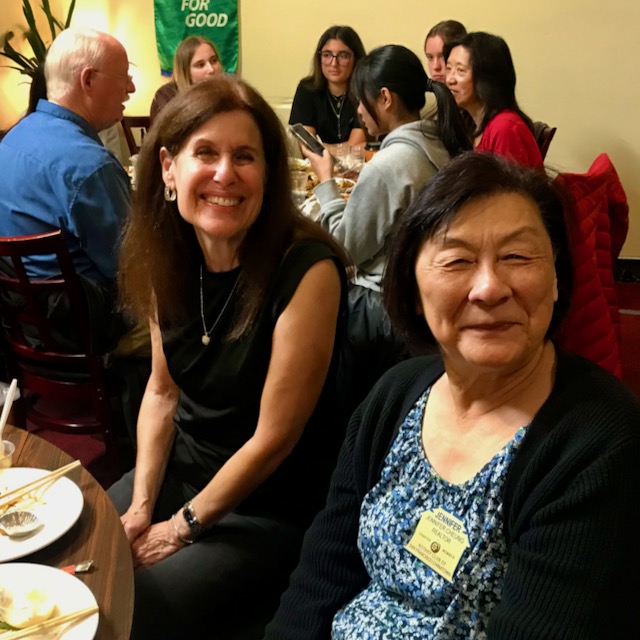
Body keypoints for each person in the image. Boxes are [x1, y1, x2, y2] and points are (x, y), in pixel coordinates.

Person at [265, 152, 640, 639]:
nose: (489, 288)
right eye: (457, 260)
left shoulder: (598, 444)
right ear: (412, 289)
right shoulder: (396, 394)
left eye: (517, 257)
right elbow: (323, 572)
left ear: (556, 279)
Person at [107, 74, 349, 639]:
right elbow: (162, 391)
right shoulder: (168, 252)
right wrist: (142, 505)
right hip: (182, 469)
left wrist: (178, 528)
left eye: (245, 156)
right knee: (84, 547)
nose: (224, 174)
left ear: (268, 174)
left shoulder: (307, 270)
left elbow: (274, 440)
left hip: (266, 504)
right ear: (168, 168)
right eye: (205, 153)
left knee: (132, 608)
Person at [303, 44, 471, 414]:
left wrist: (326, 181)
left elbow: (343, 247)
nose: (358, 111)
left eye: (360, 101)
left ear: (384, 98)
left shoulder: (391, 164)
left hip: (382, 310)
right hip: (420, 304)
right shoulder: (439, 142)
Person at [0, 27, 135, 353]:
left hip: (22, 331)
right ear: (88, 80)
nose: (131, 88)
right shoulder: (90, 167)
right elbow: (135, 269)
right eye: (124, 77)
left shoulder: (11, 141)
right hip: (83, 334)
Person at [445, 32, 543, 168]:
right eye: (448, 69)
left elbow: (510, 182)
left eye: (460, 70)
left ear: (487, 78)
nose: (449, 80)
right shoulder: (469, 123)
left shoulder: (504, 127)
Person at [289, 25, 366, 146]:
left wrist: (323, 148)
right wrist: (339, 149)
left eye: (343, 56)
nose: (334, 63)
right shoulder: (307, 89)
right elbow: (307, 145)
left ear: (356, 59)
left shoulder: (366, 91)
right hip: (315, 159)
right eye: (327, 55)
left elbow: (357, 145)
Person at [150, 35, 223, 124]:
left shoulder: (229, 94)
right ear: (185, 71)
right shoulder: (167, 97)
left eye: (214, 61)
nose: (211, 69)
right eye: (200, 65)